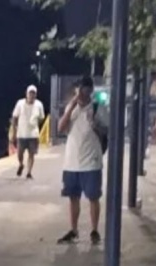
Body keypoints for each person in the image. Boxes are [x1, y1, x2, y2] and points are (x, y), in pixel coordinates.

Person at [57, 76, 105, 245]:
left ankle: (94, 230)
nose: (82, 93)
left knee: (93, 196)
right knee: (73, 196)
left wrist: (96, 124)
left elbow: (107, 132)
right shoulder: (71, 108)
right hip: (72, 161)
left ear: (90, 90)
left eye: (85, 89)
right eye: (79, 89)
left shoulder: (98, 108)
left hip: (91, 161)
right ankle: (74, 229)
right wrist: (71, 107)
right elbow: (61, 128)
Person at [11, 85, 45, 180]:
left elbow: (41, 118)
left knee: (31, 154)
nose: (31, 95)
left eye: (33, 93)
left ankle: (29, 172)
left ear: (36, 95)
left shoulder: (39, 104)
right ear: (26, 94)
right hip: (21, 134)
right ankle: (21, 164)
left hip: (33, 135)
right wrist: (14, 131)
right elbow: (14, 117)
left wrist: (35, 124)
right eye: (30, 93)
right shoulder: (20, 103)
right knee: (19, 153)